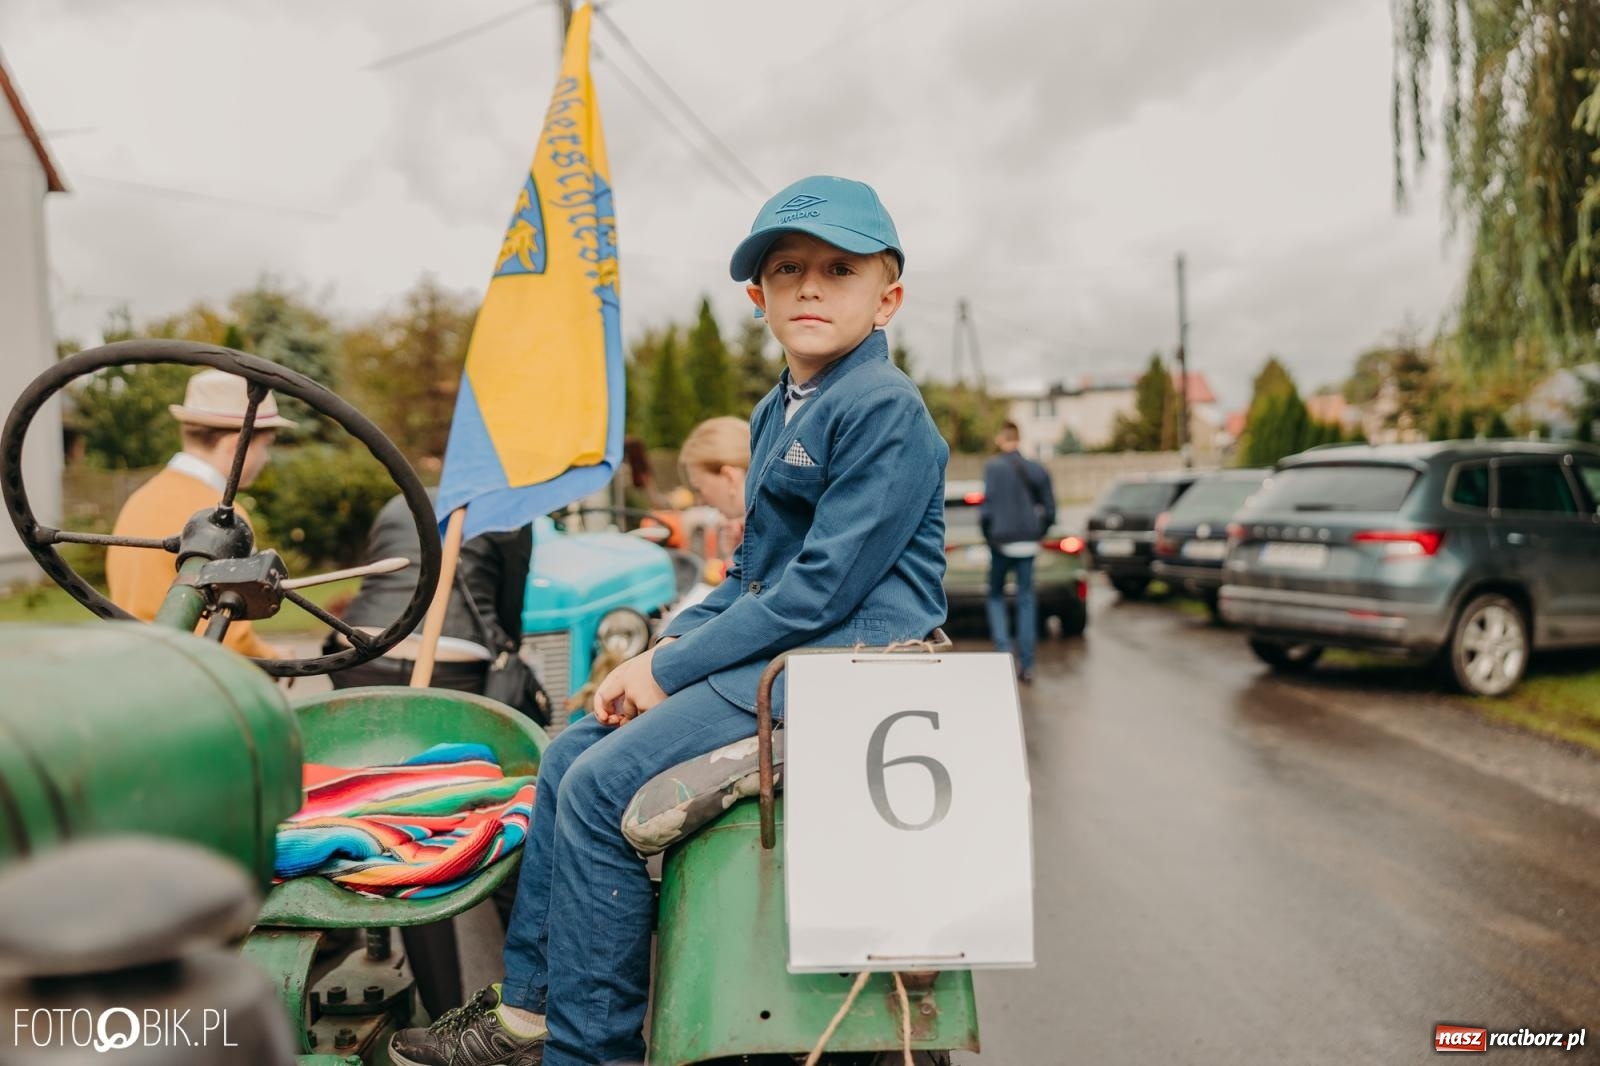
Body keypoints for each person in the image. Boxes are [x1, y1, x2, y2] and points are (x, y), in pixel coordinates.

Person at [389, 174, 949, 1066]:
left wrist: (671, 671)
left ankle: (591, 1051)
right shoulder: (778, 409)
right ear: (758, 297)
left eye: (840, 269)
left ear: (887, 299)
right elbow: (751, 575)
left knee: (608, 789)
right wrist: (657, 651)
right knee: (570, 752)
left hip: (846, 669)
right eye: (789, 268)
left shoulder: (881, 406)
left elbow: (819, 592)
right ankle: (528, 1015)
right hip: (787, 657)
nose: (811, 286)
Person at [324, 490, 535, 1021]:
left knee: (407, 817)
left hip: (363, 652)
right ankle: (530, 989)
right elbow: (508, 614)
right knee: (479, 810)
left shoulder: (396, 501)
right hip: (452, 662)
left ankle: (440, 1004)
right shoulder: (509, 510)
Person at [107, 368, 291, 659]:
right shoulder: (223, 520)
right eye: (265, 447)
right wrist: (276, 656)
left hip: (134, 664)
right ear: (236, 446)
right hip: (190, 675)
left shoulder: (140, 498)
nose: (266, 459)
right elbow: (230, 635)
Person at [979, 421, 1056, 684]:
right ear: (1019, 439)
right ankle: (1028, 664)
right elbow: (1050, 508)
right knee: (1025, 599)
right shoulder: (1036, 468)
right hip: (1027, 543)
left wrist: (989, 537)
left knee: (996, 596)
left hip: (1001, 542)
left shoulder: (993, 468)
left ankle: (1003, 655)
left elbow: (986, 511)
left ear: (1001, 439)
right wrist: (1039, 532)